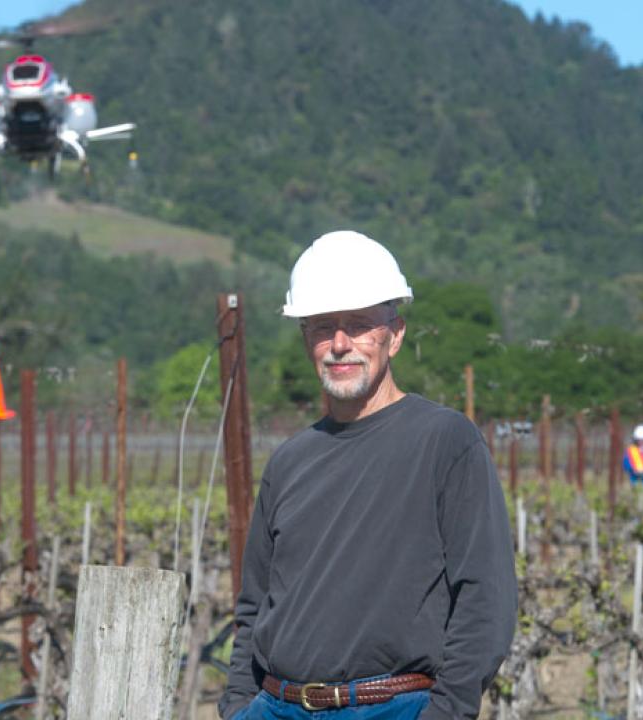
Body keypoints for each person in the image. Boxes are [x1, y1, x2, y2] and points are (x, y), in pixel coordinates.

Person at [219, 231, 517, 720]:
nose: (340, 345)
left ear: (395, 335)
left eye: (358, 325)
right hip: (274, 707)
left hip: (390, 707)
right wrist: (237, 706)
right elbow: (254, 603)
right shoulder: (289, 461)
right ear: (306, 339)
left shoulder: (445, 441)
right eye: (323, 327)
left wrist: (445, 713)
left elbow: (486, 599)